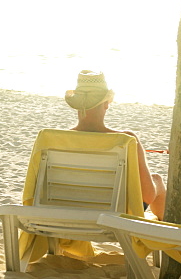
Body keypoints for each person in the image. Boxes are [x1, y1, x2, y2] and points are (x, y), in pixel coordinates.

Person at [65, 70, 166, 219]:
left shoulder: (54, 139)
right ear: (106, 104)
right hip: (116, 213)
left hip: (68, 209)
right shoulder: (126, 140)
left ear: (77, 105)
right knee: (156, 179)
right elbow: (147, 195)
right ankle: (168, 236)